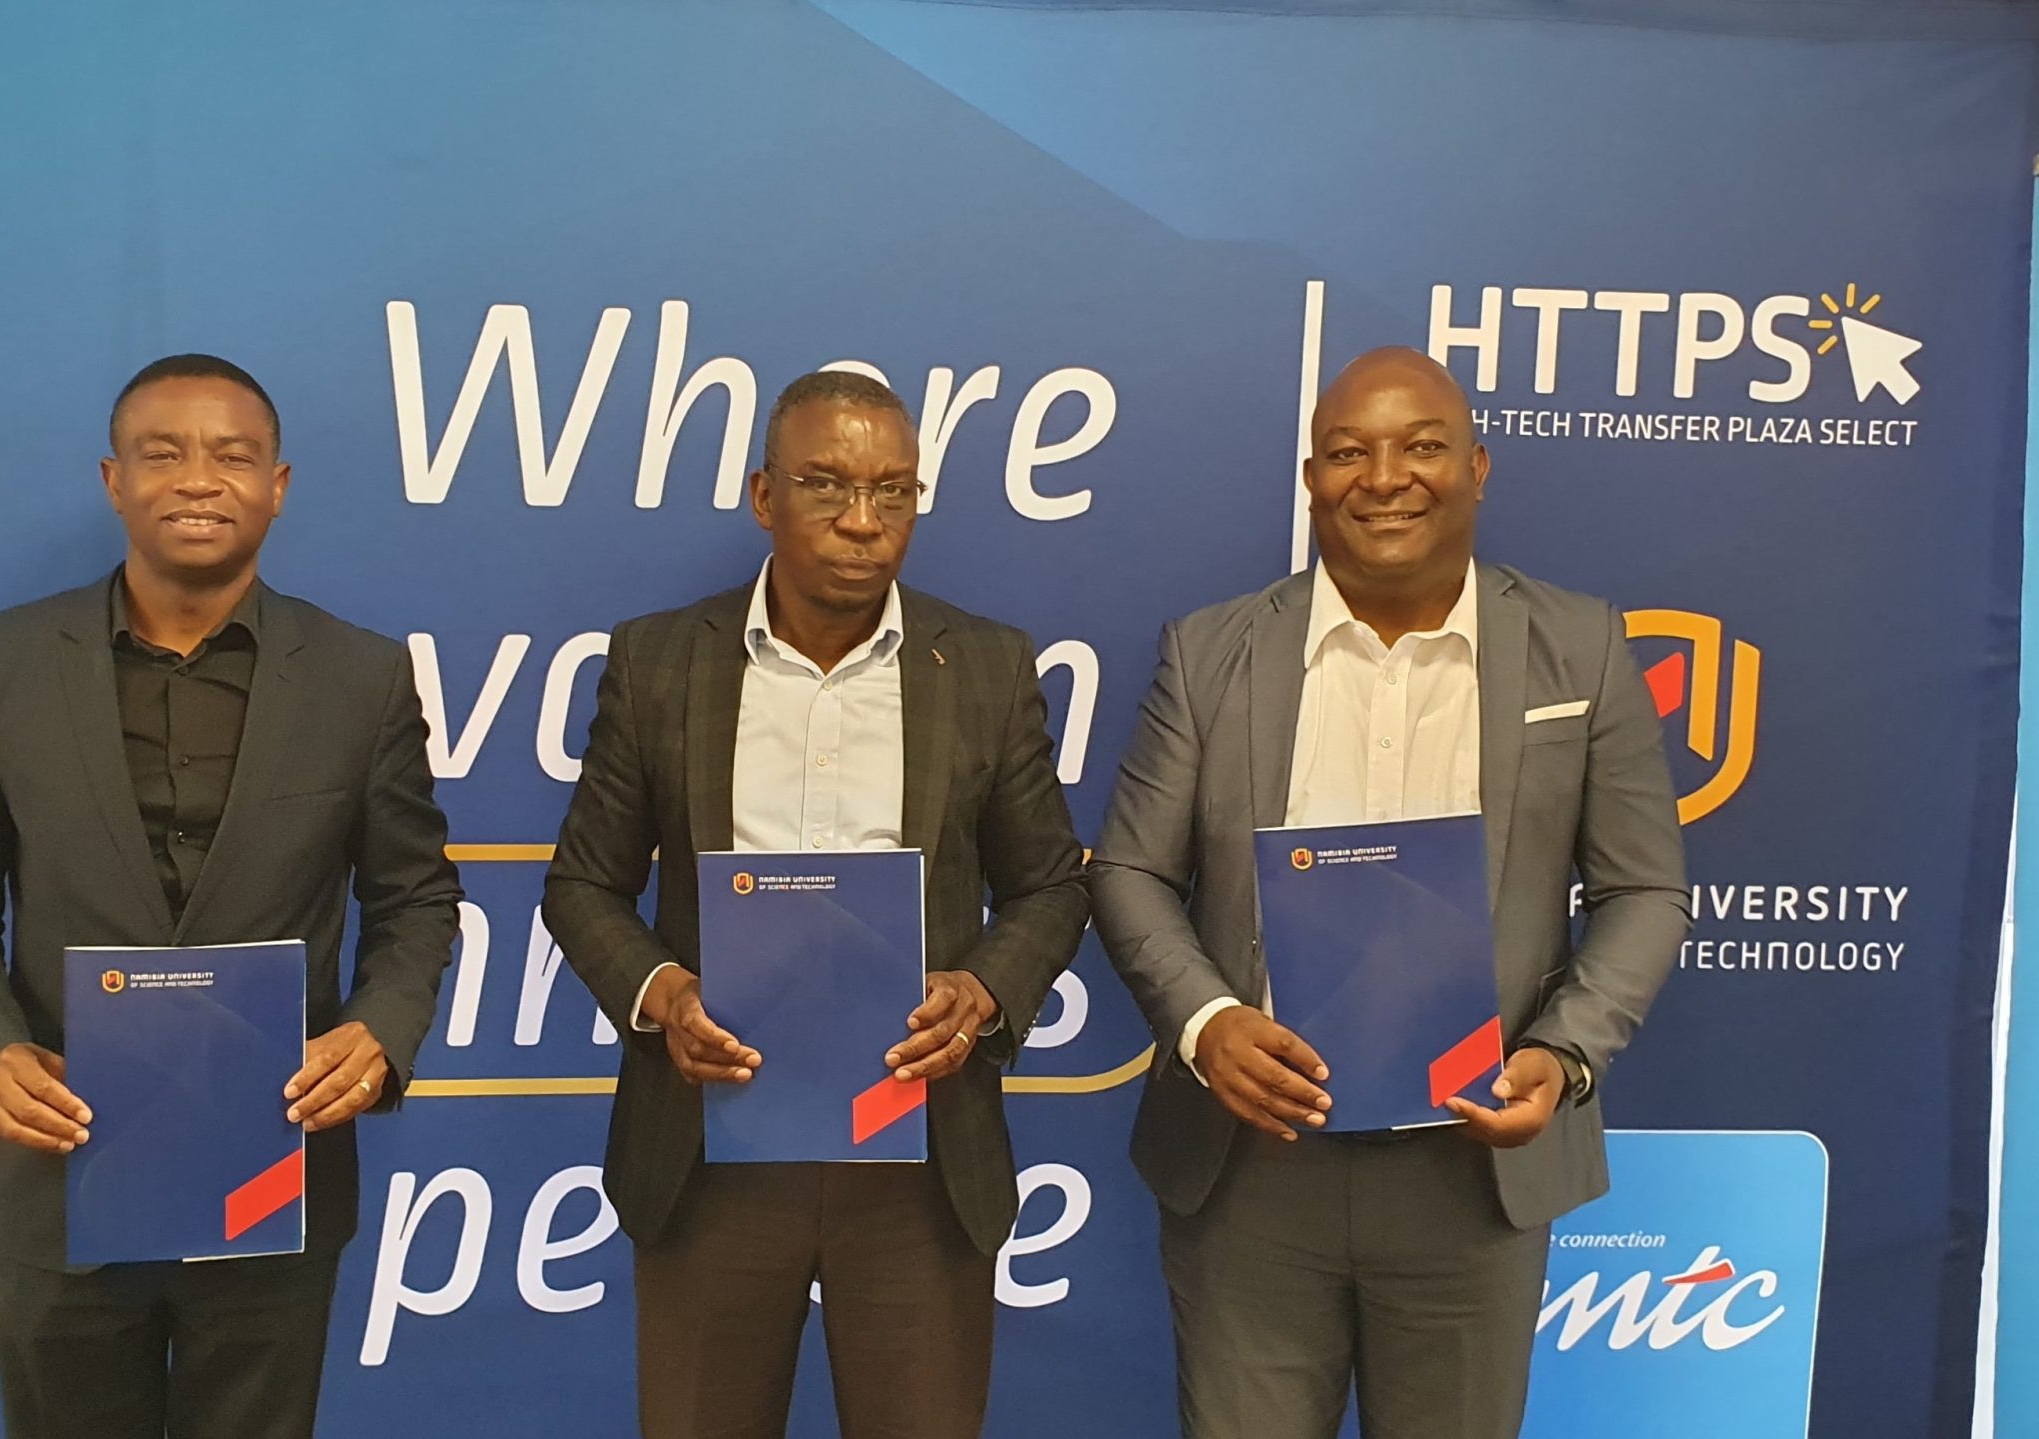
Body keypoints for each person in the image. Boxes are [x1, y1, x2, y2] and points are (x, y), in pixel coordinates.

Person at [1088, 346, 1690, 1437]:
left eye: (1421, 446)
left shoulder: (1582, 649)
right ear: (1310, 478)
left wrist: (1562, 1053)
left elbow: (1645, 888)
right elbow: (1129, 868)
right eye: (1346, 453)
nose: (1383, 478)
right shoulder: (1210, 652)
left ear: (1478, 467)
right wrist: (1208, 1023)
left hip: (1473, 1167)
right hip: (1252, 1165)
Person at [0, 353, 461, 1439]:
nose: (199, 478)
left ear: (277, 486)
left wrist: (380, 1031)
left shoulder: (362, 676)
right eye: (164, 452)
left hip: (273, 1172)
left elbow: (417, 897)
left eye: (232, 455)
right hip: (61, 1171)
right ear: (114, 480)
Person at [541, 370, 1090, 1439]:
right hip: (709, 1154)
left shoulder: (984, 665)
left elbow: (1050, 883)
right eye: (826, 484)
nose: (862, 519)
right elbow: (583, 883)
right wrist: (663, 994)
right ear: (763, 495)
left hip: (920, 1161)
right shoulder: (658, 661)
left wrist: (982, 990)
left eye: (893, 490)